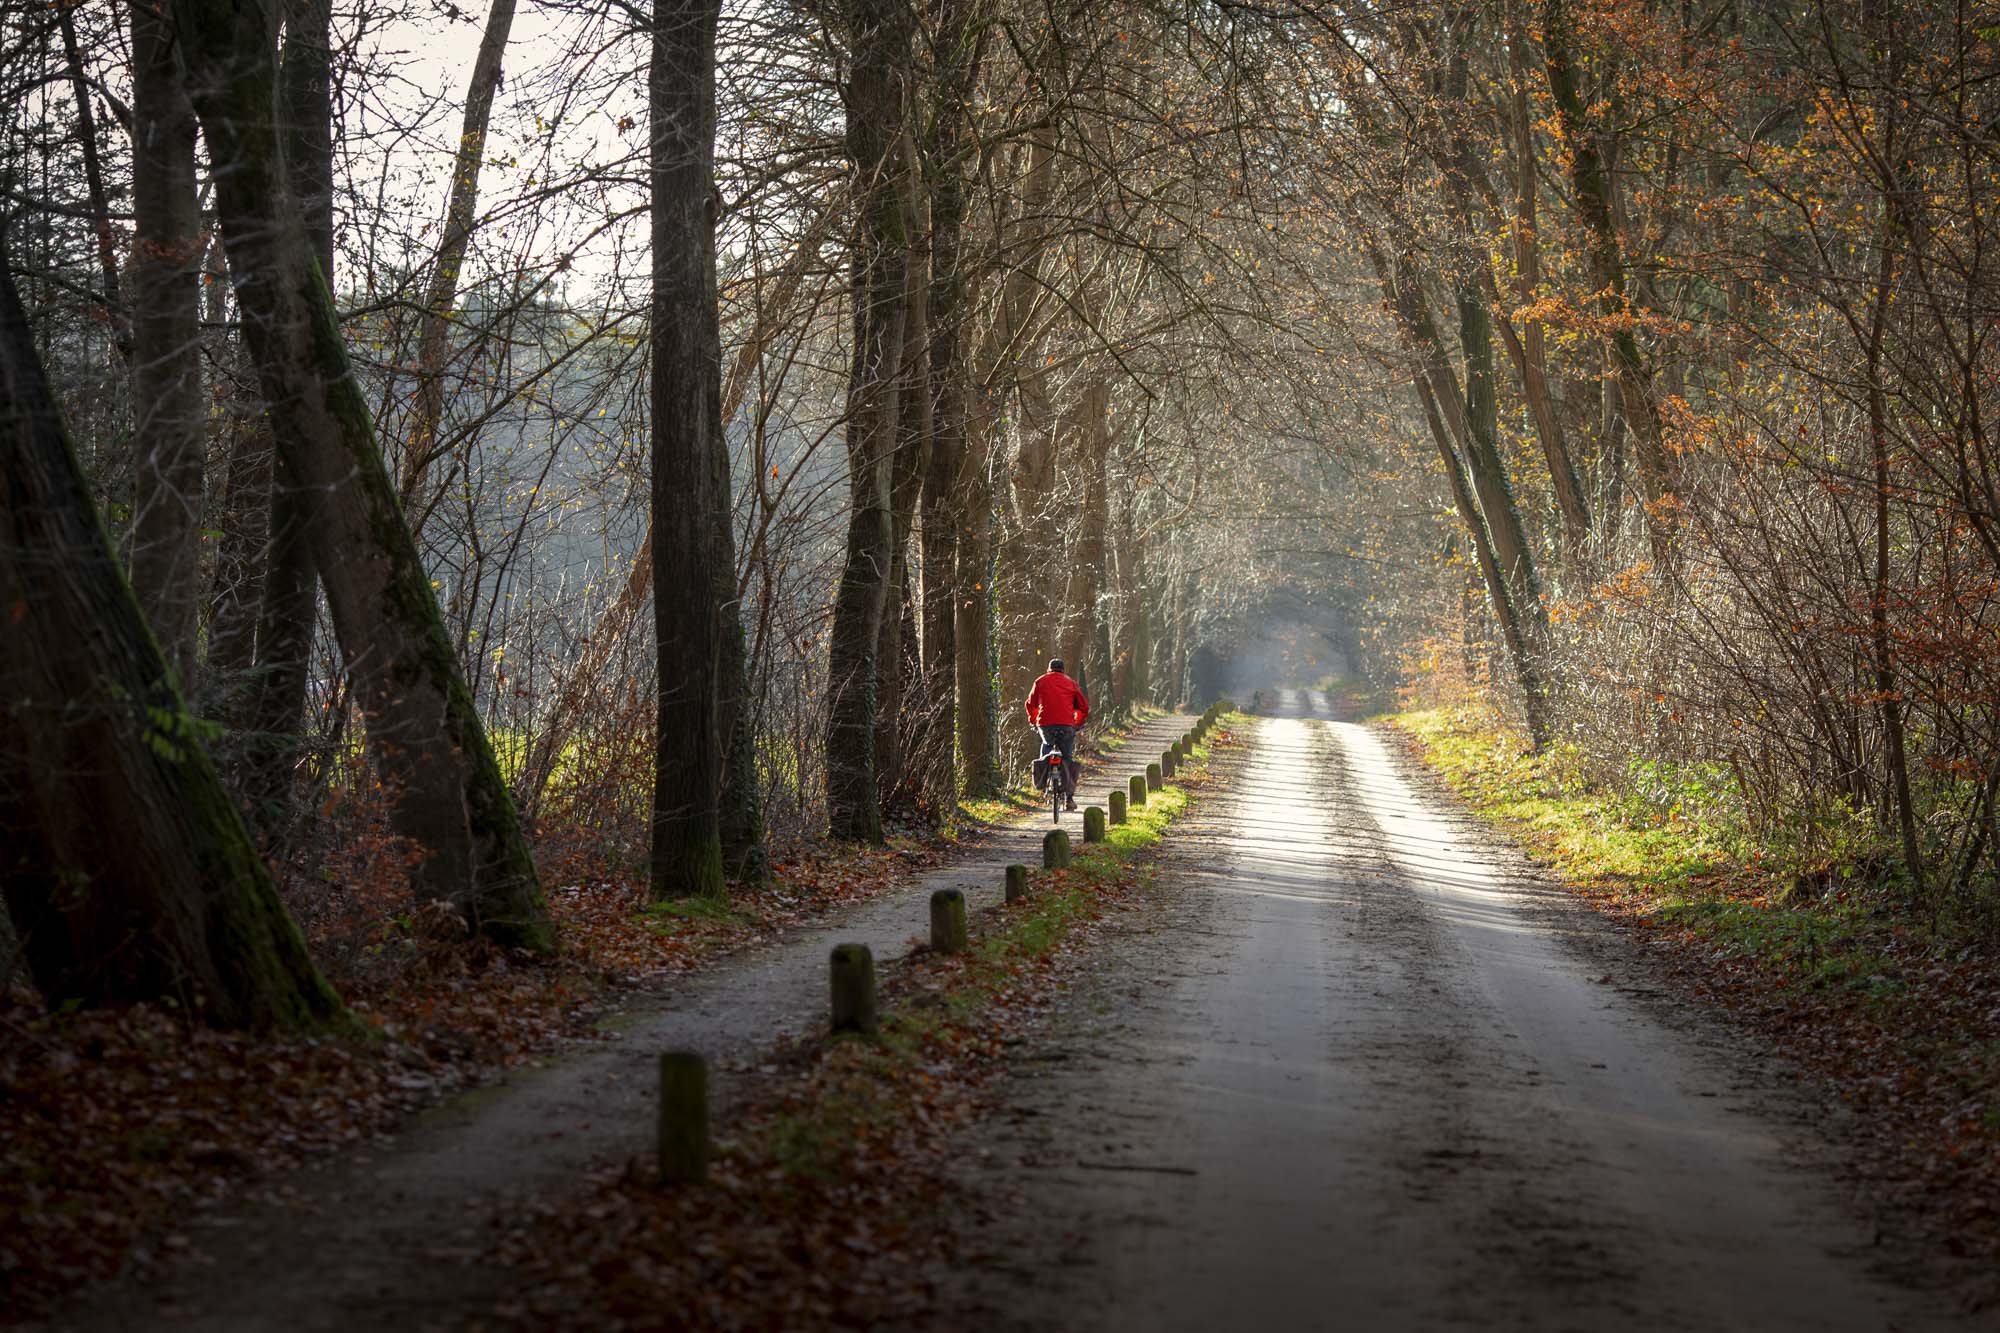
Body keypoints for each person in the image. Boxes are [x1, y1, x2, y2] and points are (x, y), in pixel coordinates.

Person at [1024, 657, 1089, 811]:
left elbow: (1030, 704)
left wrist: (1034, 721)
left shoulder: (1040, 681)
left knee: (1046, 746)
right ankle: (1069, 799)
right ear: (1063, 670)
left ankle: (1041, 783)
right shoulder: (1071, 683)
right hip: (1066, 725)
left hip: (1045, 725)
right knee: (1067, 758)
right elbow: (1084, 707)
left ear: (1049, 669)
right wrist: (1077, 723)